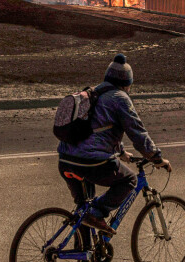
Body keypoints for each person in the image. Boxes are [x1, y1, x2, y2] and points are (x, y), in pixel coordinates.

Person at [58, 54, 171, 235]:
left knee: (83, 212)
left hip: (66, 159)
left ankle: (84, 251)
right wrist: (156, 158)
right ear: (127, 83)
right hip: (90, 162)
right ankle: (98, 212)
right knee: (130, 180)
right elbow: (138, 133)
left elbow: (98, 130)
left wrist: (121, 152)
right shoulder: (120, 98)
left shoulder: (93, 93)